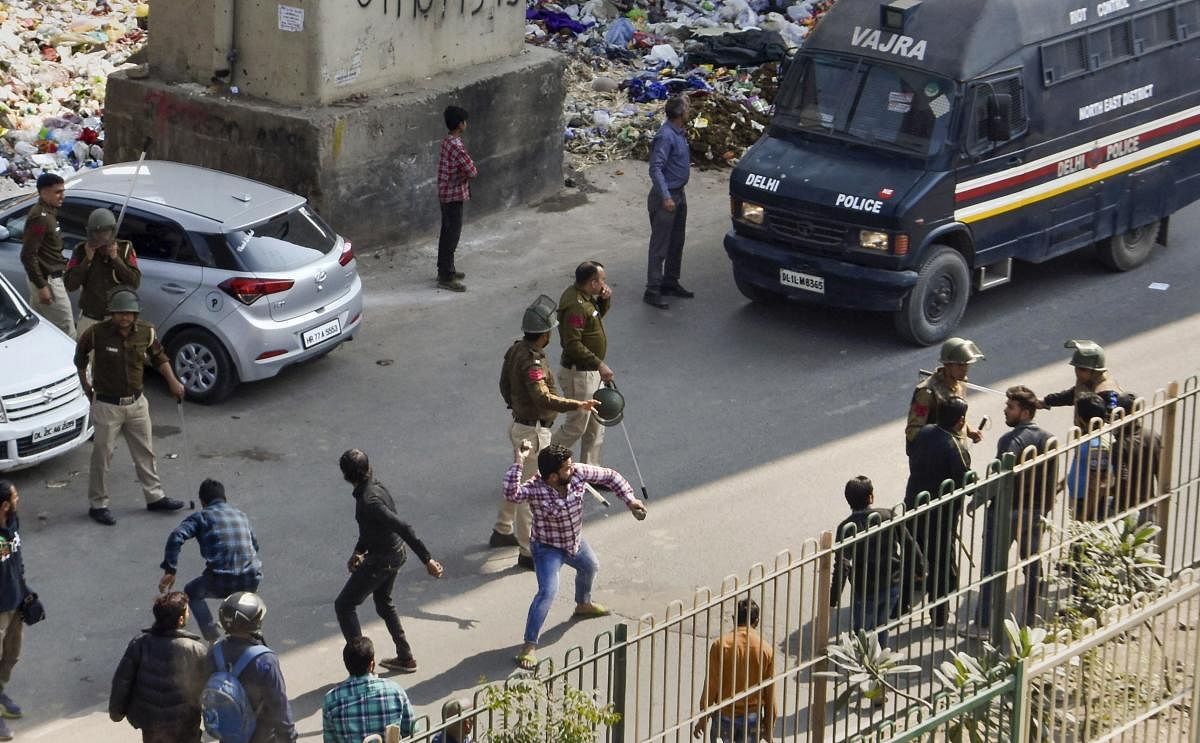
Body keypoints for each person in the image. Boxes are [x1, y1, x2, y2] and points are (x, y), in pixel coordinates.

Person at [504, 442, 646, 670]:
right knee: (547, 592)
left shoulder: (577, 472)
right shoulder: (535, 488)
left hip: (574, 541)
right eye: (567, 469)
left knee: (590, 567)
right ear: (552, 477)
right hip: (547, 548)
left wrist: (630, 500)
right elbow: (511, 494)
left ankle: (583, 604)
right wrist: (519, 460)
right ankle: (529, 646)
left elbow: (610, 476)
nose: (573, 470)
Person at [494, 295, 598, 570]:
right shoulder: (532, 363)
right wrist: (578, 404)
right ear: (544, 336)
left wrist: (515, 404)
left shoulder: (516, 350)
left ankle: (502, 528)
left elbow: (504, 383)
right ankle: (527, 552)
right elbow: (544, 399)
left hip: (521, 426)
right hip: (534, 431)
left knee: (518, 479)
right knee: (529, 492)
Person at [74, 288, 186, 525]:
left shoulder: (146, 332)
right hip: (107, 405)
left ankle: (155, 497)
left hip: (136, 403)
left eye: (129, 313)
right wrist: (86, 385)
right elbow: (80, 357)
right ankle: (98, 504)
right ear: (111, 314)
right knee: (102, 457)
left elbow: (159, 357)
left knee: (146, 452)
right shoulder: (96, 333)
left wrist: (173, 381)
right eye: (120, 313)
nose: (125, 317)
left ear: (136, 315)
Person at [335, 449, 444, 673]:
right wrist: (358, 551)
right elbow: (371, 529)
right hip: (394, 554)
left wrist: (427, 559)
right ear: (368, 469)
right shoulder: (376, 487)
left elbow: (403, 527)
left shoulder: (368, 501)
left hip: (381, 560)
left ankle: (363, 668)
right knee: (384, 602)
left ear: (347, 476)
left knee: (344, 605)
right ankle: (405, 657)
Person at [970, 386, 1055, 635]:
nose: (1006, 411)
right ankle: (1031, 620)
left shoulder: (1010, 440)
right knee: (1032, 564)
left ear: (1026, 413)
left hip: (1007, 512)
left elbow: (1000, 476)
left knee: (991, 569)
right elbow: (1050, 478)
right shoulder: (1048, 438)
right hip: (1035, 511)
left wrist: (977, 499)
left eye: (1011, 407)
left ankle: (983, 623)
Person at [158, 479, 263, 642]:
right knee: (242, 595)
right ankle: (249, 628)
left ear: (202, 501)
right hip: (251, 578)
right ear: (225, 498)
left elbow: (176, 536)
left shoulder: (201, 517)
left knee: (192, 592)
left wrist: (170, 570)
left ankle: (213, 638)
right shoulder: (241, 515)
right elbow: (255, 546)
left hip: (220, 580)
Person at [904, 396, 971, 628]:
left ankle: (898, 608)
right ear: (961, 420)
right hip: (940, 517)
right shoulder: (955, 447)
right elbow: (965, 481)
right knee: (941, 563)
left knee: (913, 556)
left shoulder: (923, 432)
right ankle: (939, 616)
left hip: (914, 505)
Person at [109, 591, 210, 743]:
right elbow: (209, 688)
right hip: (185, 726)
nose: (189, 614)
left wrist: (116, 712)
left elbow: (122, 681)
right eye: (187, 611)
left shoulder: (140, 644)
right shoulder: (196, 650)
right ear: (181, 619)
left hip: (151, 725)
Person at [830, 477, 918, 648]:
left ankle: (866, 663)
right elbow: (908, 543)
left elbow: (843, 564)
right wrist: (920, 568)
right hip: (891, 582)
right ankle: (881, 658)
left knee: (863, 631)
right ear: (870, 498)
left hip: (865, 589)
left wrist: (834, 597)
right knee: (882, 625)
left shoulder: (847, 528)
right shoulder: (887, 515)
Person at [208, 592, 296, 743]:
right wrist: (289, 738)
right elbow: (278, 705)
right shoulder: (264, 660)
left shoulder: (215, 652)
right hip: (261, 736)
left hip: (229, 735)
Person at [551, 262, 614, 466]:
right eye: (601, 280)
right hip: (579, 375)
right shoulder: (576, 306)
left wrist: (604, 301)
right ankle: (543, 461)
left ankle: (592, 471)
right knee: (576, 426)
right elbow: (572, 344)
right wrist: (600, 364)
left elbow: (593, 323)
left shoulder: (586, 299)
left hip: (591, 372)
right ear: (592, 282)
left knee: (596, 425)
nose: (604, 283)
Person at [691, 598, 776, 743]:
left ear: (734, 618)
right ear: (757, 621)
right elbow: (770, 694)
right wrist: (768, 728)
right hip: (752, 718)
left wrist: (703, 719)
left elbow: (711, 685)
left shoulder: (720, 645)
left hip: (725, 715)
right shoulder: (766, 650)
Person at [644, 95, 694, 309]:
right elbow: (655, 168)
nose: (690, 111)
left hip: (678, 194)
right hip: (667, 197)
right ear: (680, 114)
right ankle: (652, 288)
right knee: (660, 244)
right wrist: (666, 196)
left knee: (677, 241)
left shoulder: (679, 133)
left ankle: (670, 281)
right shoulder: (665, 136)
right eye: (688, 108)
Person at [321, 637, 415, 743]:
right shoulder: (395, 691)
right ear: (372, 665)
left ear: (347, 665)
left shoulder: (331, 699)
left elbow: (330, 740)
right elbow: (412, 730)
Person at [64, 208, 141, 336]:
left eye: (105, 233)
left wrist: (116, 258)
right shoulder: (81, 250)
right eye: (96, 233)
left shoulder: (125, 249)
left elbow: (134, 282)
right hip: (90, 317)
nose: (101, 237)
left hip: (115, 320)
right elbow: (70, 285)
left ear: (112, 232)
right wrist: (87, 260)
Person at [18, 172, 75, 338]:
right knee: (67, 331)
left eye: (63, 191)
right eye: (58, 192)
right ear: (44, 192)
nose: (62, 196)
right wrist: (42, 286)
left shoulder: (49, 213)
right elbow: (27, 255)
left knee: (36, 328)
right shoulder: (40, 218)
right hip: (48, 280)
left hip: (48, 277)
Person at [905, 337, 985, 454]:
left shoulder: (961, 383)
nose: (965, 369)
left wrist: (969, 432)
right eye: (960, 365)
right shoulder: (926, 392)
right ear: (947, 364)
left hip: (957, 451)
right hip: (936, 456)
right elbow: (913, 432)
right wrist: (940, 441)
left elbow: (957, 417)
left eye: (967, 364)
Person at [436, 105, 478, 292]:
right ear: (460, 125)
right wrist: (463, 177)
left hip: (445, 194)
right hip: (454, 196)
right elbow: (472, 171)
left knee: (447, 234)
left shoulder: (447, 141)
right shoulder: (457, 146)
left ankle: (444, 269)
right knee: (452, 236)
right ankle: (446, 275)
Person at [0, 482, 27, 742]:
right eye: (15, 496)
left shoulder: (12, 522)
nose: (20, 498)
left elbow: (17, 557)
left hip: (15, 602)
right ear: (5, 504)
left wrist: (26, 591)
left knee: (12, 655)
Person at [1112, 392, 1161, 519]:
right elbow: (1161, 472)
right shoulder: (1153, 436)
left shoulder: (1120, 445)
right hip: (1148, 504)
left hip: (1127, 510)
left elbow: (1122, 479)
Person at [1067, 393, 1115, 521]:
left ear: (1081, 418)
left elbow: (1099, 484)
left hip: (1088, 505)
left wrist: (1084, 515)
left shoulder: (1096, 444)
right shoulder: (1089, 437)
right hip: (1081, 500)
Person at [1040, 340, 1122, 411]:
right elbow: (1072, 395)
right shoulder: (1087, 381)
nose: (1077, 372)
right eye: (1076, 367)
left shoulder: (1108, 393)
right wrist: (1046, 401)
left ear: (1095, 371)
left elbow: (1113, 416)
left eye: (1083, 369)